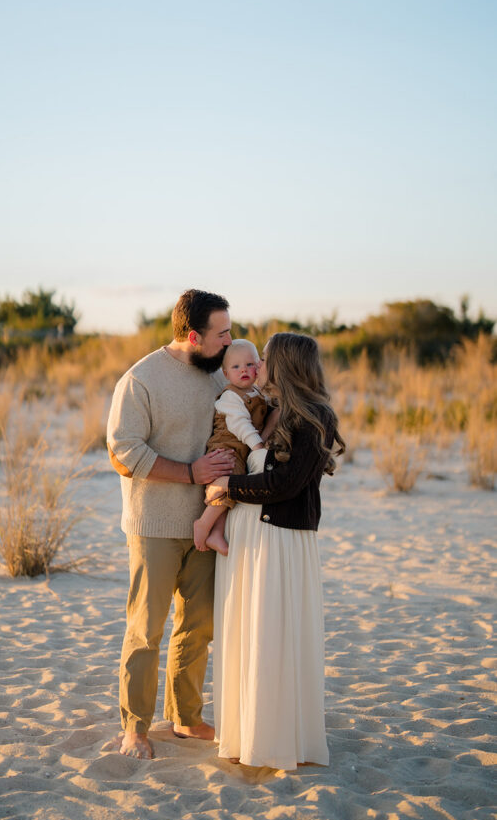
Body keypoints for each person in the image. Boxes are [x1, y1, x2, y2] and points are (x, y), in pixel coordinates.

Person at [106, 289, 237, 760]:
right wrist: (188, 472)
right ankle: (134, 728)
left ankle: (185, 718)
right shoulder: (141, 379)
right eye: (221, 334)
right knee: (146, 629)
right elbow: (124, 453)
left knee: (198, 627)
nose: (229, 341)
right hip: (154, 524)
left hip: (206, 523)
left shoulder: (219, 376)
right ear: (192, 335)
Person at [208, 332, 345, 770]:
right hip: (251, 535)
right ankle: (247, 732)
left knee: (273, 634)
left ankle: (274, 739)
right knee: (250, 634)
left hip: (279, 539)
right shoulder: (269, 409)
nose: (258, 365)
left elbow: (284, 485)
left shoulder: (313, 417)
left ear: (283, 364)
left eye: (264, 359)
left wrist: (227, 485)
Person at [192, 340, 275, 556]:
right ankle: (204, 523)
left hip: (242, 449)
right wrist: (258, 445)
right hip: (227, 446)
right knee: (231, 482)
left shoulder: (258, 394)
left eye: (249, 364)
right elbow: (240, 424)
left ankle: (216, 533)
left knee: (232, 493)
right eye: (236, 367)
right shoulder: (230, 396)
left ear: (258, 366)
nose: (244, 370)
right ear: (226, 374)